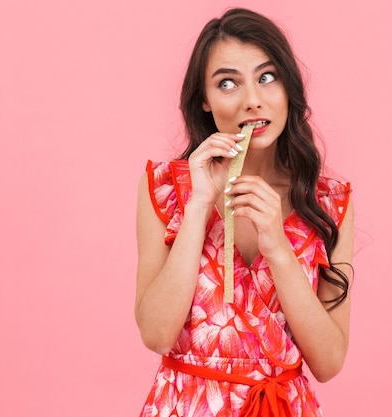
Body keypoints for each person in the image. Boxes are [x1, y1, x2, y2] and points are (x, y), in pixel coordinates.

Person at [135, 8, 354, 417]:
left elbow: (328, 362)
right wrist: (199, 204)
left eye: (267, 77)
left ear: (289, 87)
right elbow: (157, 334)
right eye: (228, 83)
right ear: (204, 99)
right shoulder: (166, 189)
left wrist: (276, 243)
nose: (252, 100)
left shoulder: (327, 202)